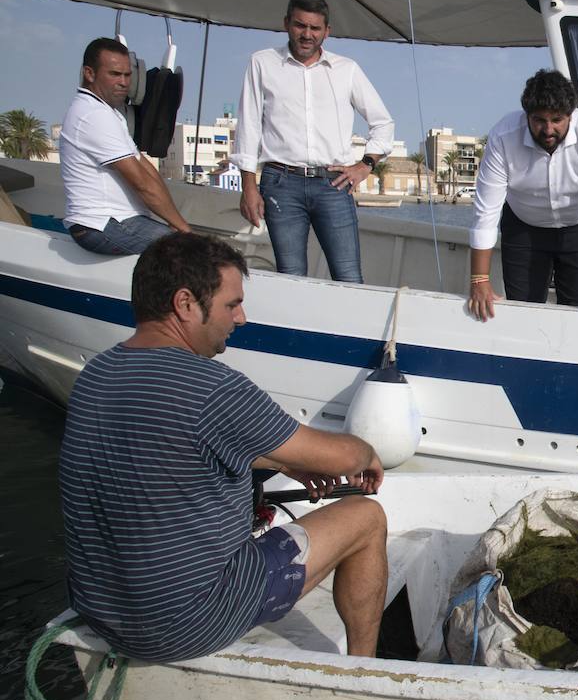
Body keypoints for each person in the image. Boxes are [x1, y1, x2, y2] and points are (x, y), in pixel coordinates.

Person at [60, 232, 389, 662]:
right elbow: (343, 459)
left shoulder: (96, 374)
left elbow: (168, 446)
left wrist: (281, 460)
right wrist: (367, 453)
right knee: (366, 516)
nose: (242, 318)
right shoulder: (214, 388)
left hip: (103, 613)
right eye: (231, 304)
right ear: (185, 304)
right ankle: (364, 667)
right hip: (188, 624)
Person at [232, 0, 394, 283]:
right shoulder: (262, 63)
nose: (307, 34)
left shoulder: (347, 70)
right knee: (291, 277)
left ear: (326, 31)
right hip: (281, 183)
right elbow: (249, 126)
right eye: (300, 25)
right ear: (287, 24)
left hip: (333, 183)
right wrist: (248, 186)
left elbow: (383, 123)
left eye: (315, 28)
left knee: (349, 277)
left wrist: (366, 164)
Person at [467, 69, 578, 321]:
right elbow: (486, 213)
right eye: (539, 120)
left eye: (557, 120)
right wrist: (479, 279)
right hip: (523, 229)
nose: (548, 129)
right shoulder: (502, 136)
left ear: (571, 116)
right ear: (526, 116)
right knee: (523, 313)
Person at [59, 38, 193, 255]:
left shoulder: (110, 114)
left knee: (189, 246)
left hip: (120, 220)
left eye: (128, 75)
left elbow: (146, 169)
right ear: (89, 74)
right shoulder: (93, 115)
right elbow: (142, 185)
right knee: (191, 253)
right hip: (101, 225)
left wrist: (176, 223)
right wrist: (184, 229)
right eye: (114, 74)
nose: (123, 82)